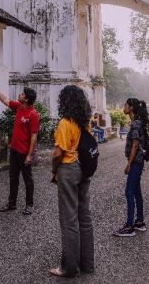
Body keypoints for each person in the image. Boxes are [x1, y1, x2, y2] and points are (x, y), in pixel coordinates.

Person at [49, 85, 94, 277]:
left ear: (64, 101)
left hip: (68, 169)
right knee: (84, 217)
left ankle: (69, 268)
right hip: (84, 168)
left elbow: (58, 153)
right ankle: (87, 264)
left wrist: (53, 169)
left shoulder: (64, 123)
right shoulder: (84, 122)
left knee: (69, 220)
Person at [0, 81, 40, 215]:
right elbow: (5, 100)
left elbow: (34, 136)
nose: (20, 95)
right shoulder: (19, 107)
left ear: (26, 98)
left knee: (28, 179)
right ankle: (12, 204)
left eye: (22, 94)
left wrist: (29, 155)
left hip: (24, 152)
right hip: (15, 150)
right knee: (13, 177)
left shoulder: (33, 114)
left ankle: (29, 205)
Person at [113, 98, 149, 237]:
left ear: (131, 108)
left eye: (125, 105)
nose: (123, 107)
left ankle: (129, 227)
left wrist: (129, 164)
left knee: (129, 191)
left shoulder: (135, 124)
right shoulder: (138, 123)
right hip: (138, 162)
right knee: (136, 192)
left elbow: (135, 145)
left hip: (135, 162)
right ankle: (139, 222)